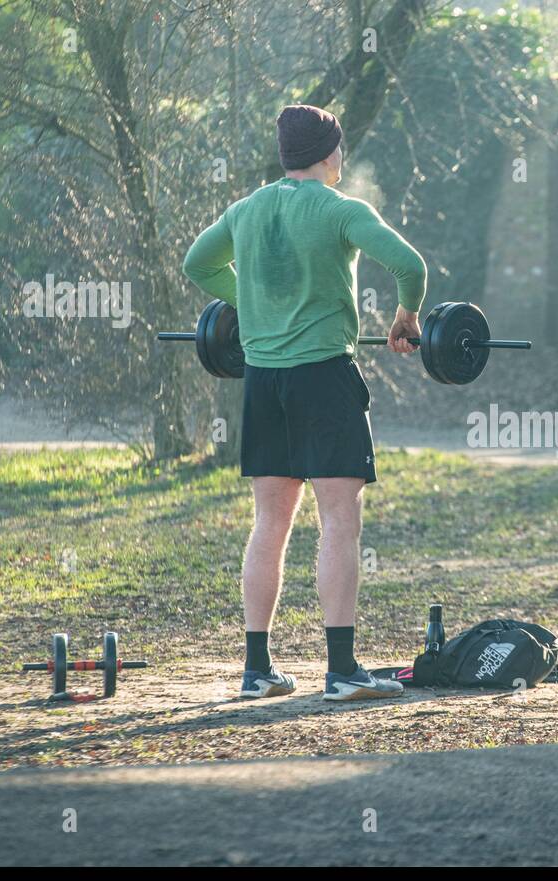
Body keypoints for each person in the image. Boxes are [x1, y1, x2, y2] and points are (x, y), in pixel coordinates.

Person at [182, 105, 427, 700]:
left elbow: (197, 264)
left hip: (263, 383)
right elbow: (409, 264)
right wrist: (406, 317)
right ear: (328, 154)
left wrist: (251, 297)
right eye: (339, 149)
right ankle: (342, 671)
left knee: (270, 523)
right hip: (324, 378)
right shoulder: (342, 210)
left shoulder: (247, 210)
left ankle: (257, 669)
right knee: (339, 522)